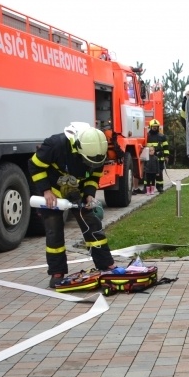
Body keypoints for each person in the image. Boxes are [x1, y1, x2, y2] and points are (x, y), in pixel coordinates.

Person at [28, 122, 115, 287]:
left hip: (78, 191)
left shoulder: (98, 150)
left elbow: (95, 173)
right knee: (54, 231)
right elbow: (34, 166)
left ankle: (105, 264)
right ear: (78, 148)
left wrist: (89, 194)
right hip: (52, 191)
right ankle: (57, 272)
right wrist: (46, 191)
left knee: (92, 224)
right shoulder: (56, 145)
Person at [144, 118, 169, 194]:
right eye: (153, 126)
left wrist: (166, 156)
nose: (155, 128)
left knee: (159, 174)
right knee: (147, 175)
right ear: (150, 127)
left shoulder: (162, 136)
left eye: (156, 126)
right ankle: (146, 188)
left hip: (159, 159)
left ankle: (160, 187)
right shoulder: (147, 136)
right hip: (149, 160)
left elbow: (166, 147)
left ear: (158, 127)